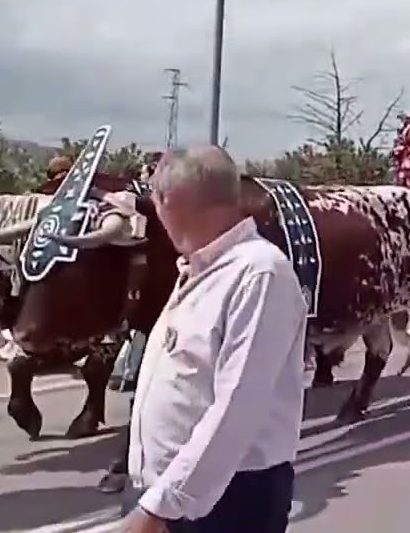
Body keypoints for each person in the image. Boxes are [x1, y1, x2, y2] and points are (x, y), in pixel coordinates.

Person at [124, 146, 307, 533]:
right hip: (173, 493)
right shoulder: (204, 267)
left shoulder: (258, 273)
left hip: (225, 502)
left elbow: (237, 407)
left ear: (168, 200)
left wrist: (160, 508)